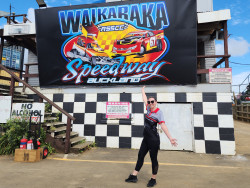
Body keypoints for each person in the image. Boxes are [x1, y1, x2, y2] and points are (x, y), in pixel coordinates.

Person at [125, 86, 178, 187]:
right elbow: (144, 99)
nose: (150, 103)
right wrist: (142, 90)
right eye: (149, 102)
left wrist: (170, 138)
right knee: (140, 156)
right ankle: (134, 176)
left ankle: (153, 179)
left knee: (153, 159)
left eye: (152, 101)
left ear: (156, 102)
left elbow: (163, 125)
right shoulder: (148, 109)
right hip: (146, 139)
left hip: (154, 140)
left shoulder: (159, 113)